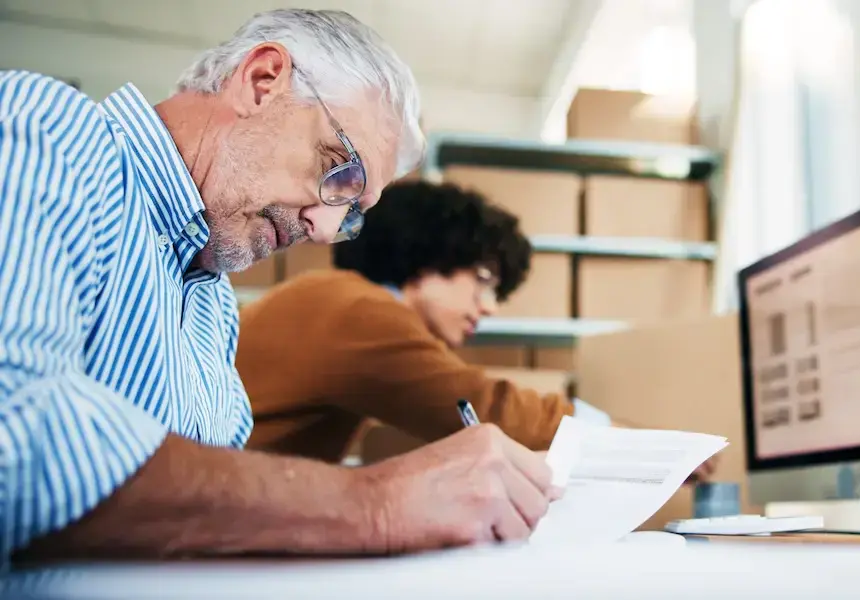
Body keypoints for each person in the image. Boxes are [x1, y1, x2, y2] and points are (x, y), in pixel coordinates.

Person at [0, 9, 557, 563]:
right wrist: (377, 504)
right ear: (262, 81)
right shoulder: (51, 130)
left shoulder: (212, 303)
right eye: (339, 169)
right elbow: (14, 438)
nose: (324, 229)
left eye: (352, 213)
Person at [236, 180, 719, 480]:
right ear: (426, 260)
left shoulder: (328, 298)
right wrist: (636, 439)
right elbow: (486, 409)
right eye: (483, 281)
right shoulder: (356, 312)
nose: (488, 307)